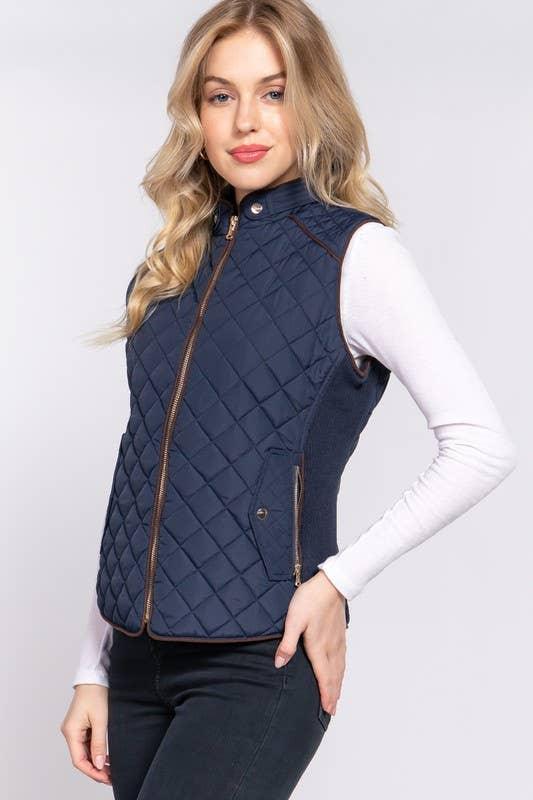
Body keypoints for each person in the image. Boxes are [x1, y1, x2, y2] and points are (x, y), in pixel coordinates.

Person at [60, 2, 517, 798]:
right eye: (219, 95)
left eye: (273, 92)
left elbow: (481, 444)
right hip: (135, 663)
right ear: (195, 113)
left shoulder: (357, 254)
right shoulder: (171, 263)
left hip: (257, 659)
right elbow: (145, 470)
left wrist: (337, 580)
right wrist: (90, 669)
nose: (245, 120)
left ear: (313, 100)